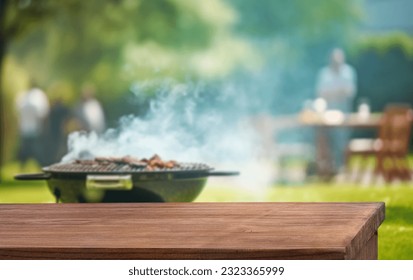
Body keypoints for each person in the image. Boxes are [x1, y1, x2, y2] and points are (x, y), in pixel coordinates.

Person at [315, 48, 357, 174]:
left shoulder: (348, 72)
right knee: (325, 139)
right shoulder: (324, 73)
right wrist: (338, 92)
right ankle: (327, 167)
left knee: (342, 141)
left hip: (344, 112)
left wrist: (333, 92)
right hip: (327, 114)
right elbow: (321, 92)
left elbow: (349, 91)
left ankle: (342, 167)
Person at [15, 81, 50, 169]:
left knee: (28, 148)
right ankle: (40, 164)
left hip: (27, 127)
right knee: (34, 148)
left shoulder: (24, 96)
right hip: (33, 127)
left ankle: (24, 165)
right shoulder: (38, 96)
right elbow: (43, 113)